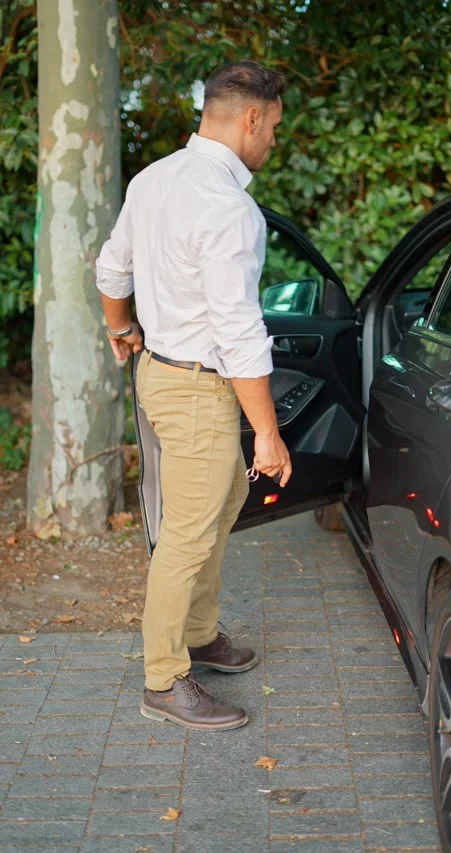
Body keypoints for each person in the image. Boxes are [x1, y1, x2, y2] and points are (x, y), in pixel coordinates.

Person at [96, 60, 292, 731]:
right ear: (251, 117)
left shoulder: (155, 180)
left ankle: (200, 633)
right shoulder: (229, 208)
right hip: (199, 387)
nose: (273, 142)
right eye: (274, 129)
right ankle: (163, 677)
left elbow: (111, 267)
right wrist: (267, 431)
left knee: (223, 498)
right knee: (188, 528)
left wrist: (121, 327)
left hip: (159, 372)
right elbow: (239, 332)